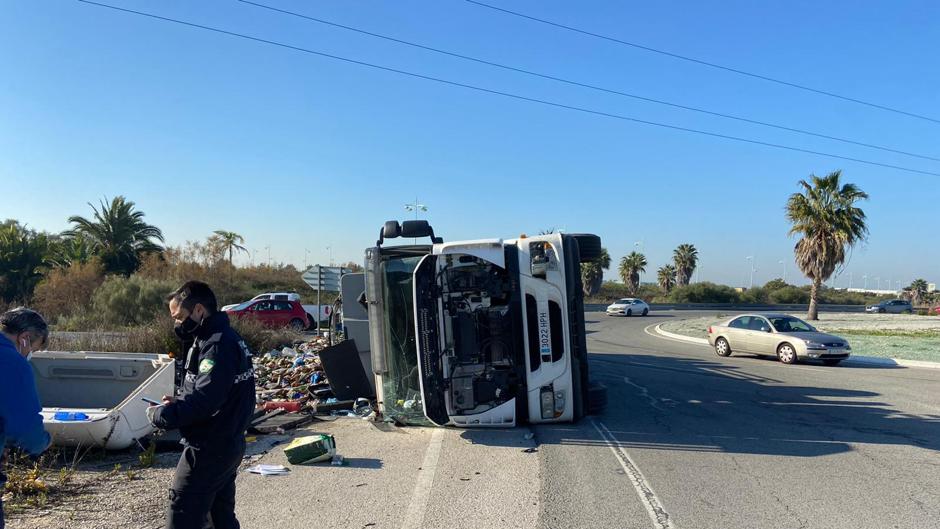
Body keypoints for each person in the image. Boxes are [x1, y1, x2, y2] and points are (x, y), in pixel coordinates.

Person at [147, 281, 256, 529]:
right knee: (220, 518)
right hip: (225, 442)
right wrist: (181, 401)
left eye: (179, 317)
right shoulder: (214, 339)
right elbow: (212, 391)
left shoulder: (217, 345)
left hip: (209, 448)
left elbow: (207, 400)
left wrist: (163, 415)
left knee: (182, 514)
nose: (177, 324)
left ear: (198, 310)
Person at [0, 308, 52, 529]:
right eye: (33, 348)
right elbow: (24, 425)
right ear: (24, 338)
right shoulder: (13, 362)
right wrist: (41, 442)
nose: (29, 354)